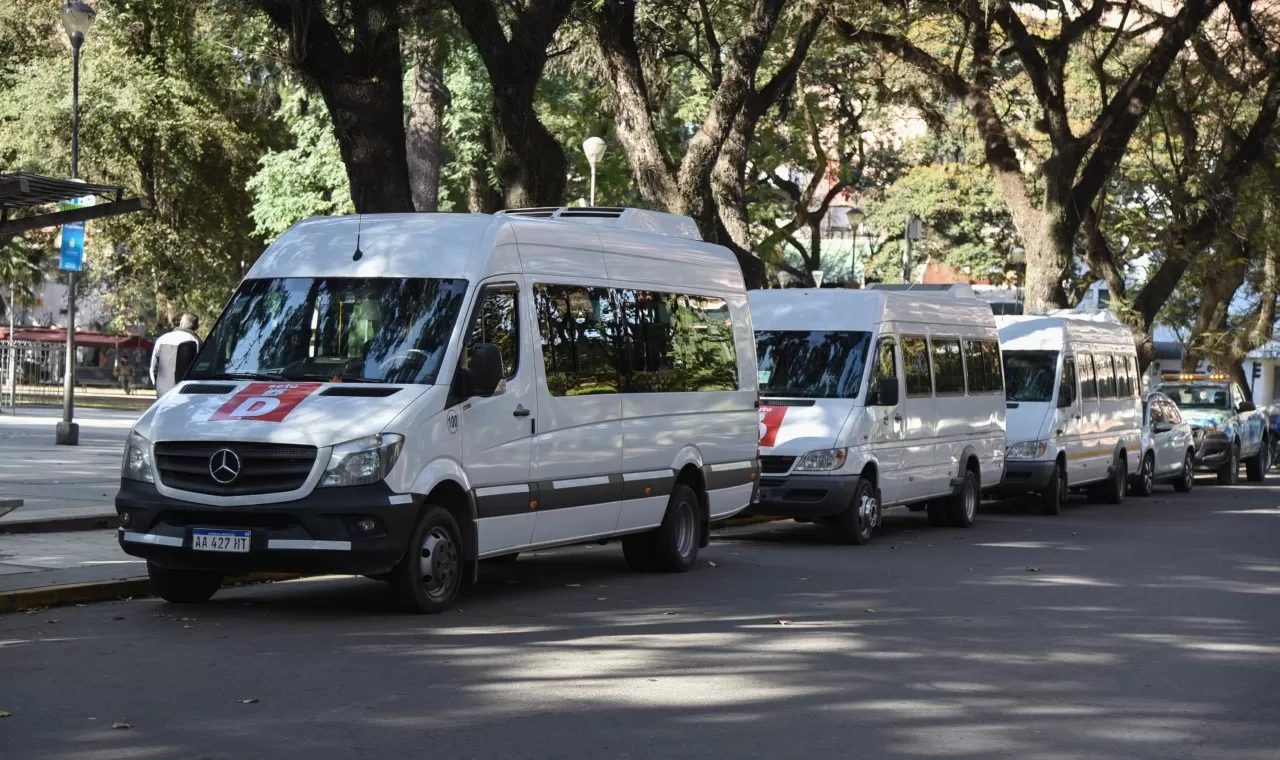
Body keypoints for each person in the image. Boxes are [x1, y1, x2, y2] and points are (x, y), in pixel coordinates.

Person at [151, 313, 201, 396]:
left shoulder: (162, 339)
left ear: (181, 323)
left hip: (163, 393)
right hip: (186, 393)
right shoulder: (196, 342)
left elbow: (153, 368)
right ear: (197, 327)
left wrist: (156, 386)